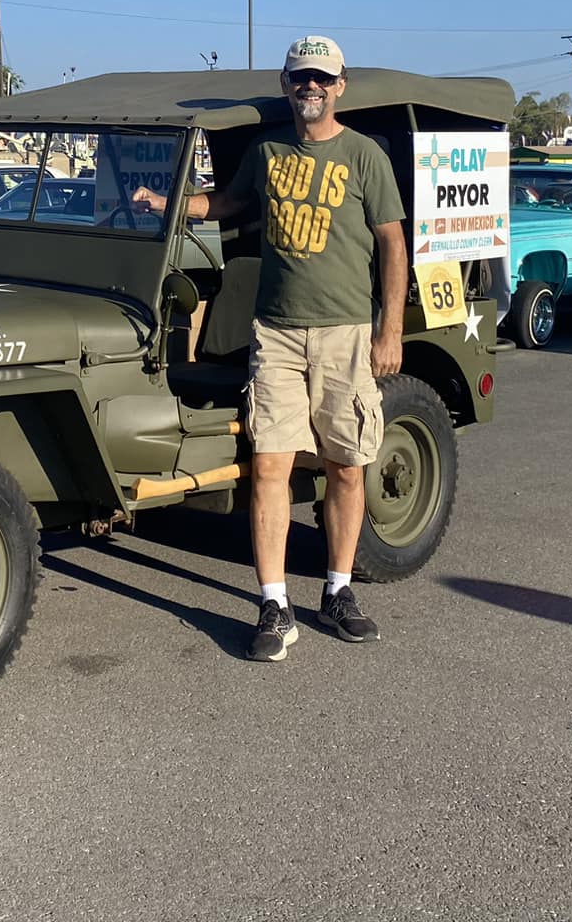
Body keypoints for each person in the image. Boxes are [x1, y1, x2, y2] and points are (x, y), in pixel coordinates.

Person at [131, 34, 407, 662]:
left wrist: (388, 331)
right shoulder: (266, 150)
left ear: (339, 86)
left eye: (320, 79)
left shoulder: (364, 155)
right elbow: (226, 203)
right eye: (299, 78)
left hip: (344, 333)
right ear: (286, 84)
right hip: (276, 332)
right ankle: (274, 604)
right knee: (272, 466)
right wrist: (166, 201)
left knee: (345, 464)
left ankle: (338, 591)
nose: (309, 87)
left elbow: (392, 243)